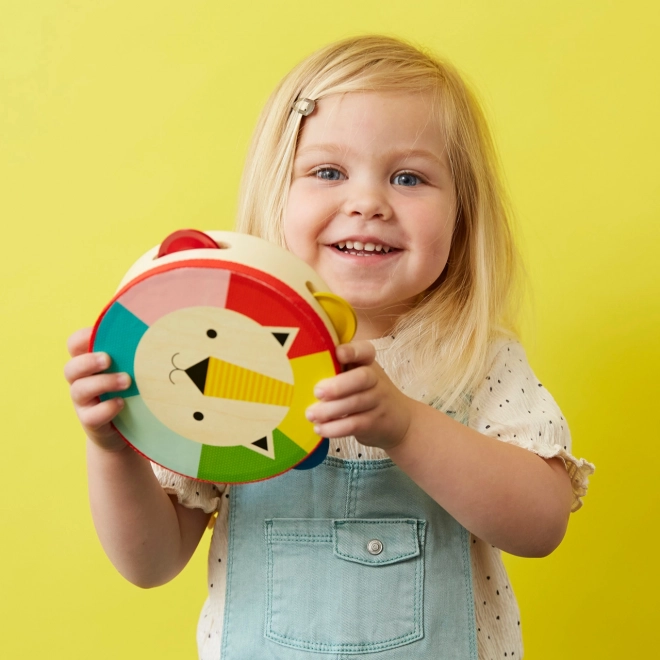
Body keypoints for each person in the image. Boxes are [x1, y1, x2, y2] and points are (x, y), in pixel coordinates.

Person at [64, 35, 594, 659]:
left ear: (463, 213)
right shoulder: (224, 353)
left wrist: (406, 427)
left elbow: (540, 525)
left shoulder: (474, 359)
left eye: (408, 177)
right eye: (328, 172)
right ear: (276, 194)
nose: (367, 203)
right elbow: (151, 562)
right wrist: (112, 448)